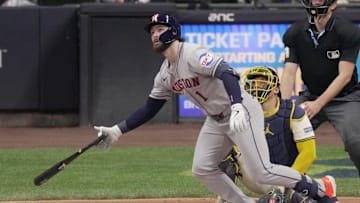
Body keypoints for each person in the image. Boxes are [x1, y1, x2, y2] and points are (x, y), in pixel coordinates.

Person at [94, 13, 338, 203]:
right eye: (152, 31)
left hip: (241, 110)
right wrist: (117, 130)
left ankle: (319, 187)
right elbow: (150, 108)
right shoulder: (165, 74)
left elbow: (227, 72)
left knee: (263, 171)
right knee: (201, 168)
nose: (155, 34)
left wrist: (238, 104)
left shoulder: (192, 54)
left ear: (174, 32)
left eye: (160, 29)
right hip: (216, 120)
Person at [280, 0, 360, 176]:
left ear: (333, 4)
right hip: (310, 95)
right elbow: (288, 73)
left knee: (356, 141)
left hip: (345, 98)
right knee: (282, 133)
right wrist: (283, 108)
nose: (316, 1)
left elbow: (345, 76)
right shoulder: (294, 33)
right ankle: (288, 187)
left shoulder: (347, 32)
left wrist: (318, 104)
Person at [215, 66, 317, 203]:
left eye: (262, 83)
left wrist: (284, 184)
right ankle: (224, 199)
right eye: (254, 83)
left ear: (276, 89)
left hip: (288, 175)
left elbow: (309, 153)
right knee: (225, 150)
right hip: (258, 176)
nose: (256, 87)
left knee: (295, 198)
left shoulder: (293, 112)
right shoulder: (241, 113)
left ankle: (296, 197)